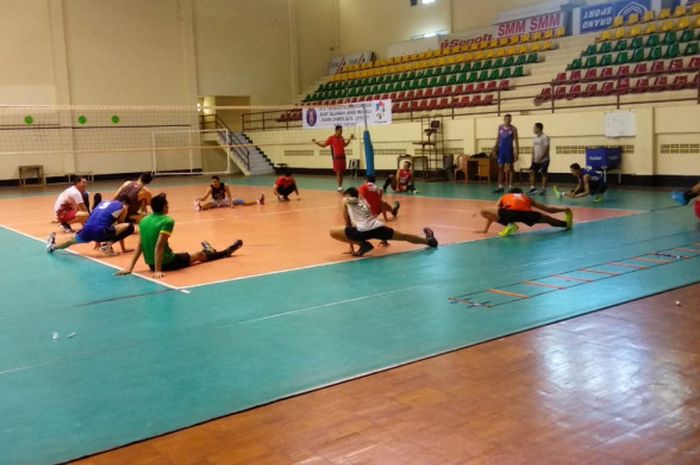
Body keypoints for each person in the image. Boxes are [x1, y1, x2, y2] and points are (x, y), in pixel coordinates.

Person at [116, 193, 243, 279]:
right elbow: (159, 245)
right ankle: (223, 253)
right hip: (166, 263)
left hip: (150, 264)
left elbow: (140, 245)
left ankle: (209, 250)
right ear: (164, 207)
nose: (168, 206)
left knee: (183, 253)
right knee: (199, 256)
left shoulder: (143, 221)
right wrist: (158, 270)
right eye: (167, 204)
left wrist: (130, 267)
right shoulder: (167, 221)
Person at [329, 187, 438, 257]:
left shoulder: (349, 201)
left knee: (333, 232)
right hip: (378, 227)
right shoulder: (364, 203)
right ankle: (429, 241)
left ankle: (364, 244)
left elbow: (347, 222)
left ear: (348, 196)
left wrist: (344, 200)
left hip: (363, 231)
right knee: (403, 236)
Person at [46, 197, 135, 255]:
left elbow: (93, 218)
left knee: (71, 241)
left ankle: (53, 247)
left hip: (87, 229)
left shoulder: (103, 203)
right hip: (101, 231)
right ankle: (107, 245)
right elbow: (121, 226)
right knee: (129, 226)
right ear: (126, 203)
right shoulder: (123, 207)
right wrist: (123, 248)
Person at [479, 188, 573, 237]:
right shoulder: (526, 197)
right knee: (549, 220)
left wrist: (485, 229)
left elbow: (493, 211)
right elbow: (549, 209)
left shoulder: (505, 196)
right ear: (521, 193)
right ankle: (566, 224)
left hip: (509, 214)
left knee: (484, 211)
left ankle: (509, 225)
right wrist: (564, 209)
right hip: (527, 215)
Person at [312, 124, 355, 192]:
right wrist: (316, 142)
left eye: (342, 130)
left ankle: (341, 186)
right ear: (337, 130)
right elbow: (324, 145)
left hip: (343, 157)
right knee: (338, 172)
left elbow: (345, 145)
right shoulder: (331, 138)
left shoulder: (341, 137)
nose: (341, 131)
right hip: (336, 158)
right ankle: (339, 186)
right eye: (340, 130)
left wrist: (350, 138)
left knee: (342, 173)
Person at [195, 175, 264, 211]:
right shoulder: (210, 188)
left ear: (219, 181)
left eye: (215, 181)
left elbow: (230, 196)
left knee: (242, 202)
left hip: (225, 200)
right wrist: (200, 199)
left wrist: (231, 203)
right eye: (213, 181)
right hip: (215, 201)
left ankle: (258, 201)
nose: (214, 183)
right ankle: (200, 208)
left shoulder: (225, 186)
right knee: (208, 205)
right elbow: (204, 198)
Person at [493, 114, 519, 193]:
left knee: (511, 168)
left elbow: (516, 141)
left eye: (509, 119)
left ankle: (511, 186)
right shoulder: (500, 127)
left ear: (511, 120)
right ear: (504, 119)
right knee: (500, 167)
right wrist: (495, 148)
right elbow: (498, 138)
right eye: (506, 119)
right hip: (501, 150)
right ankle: (500, 186)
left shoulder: (513, 129)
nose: (508, 120)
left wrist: (517, 152)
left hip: (509, 150)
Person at [528, 122, 550, 195]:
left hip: (544, 159)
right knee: (532, 172)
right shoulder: (534, 138)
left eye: (534, 128)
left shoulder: (545, 137)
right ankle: (533, 188)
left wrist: (541, 158)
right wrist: (532, 158)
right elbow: (533, 148)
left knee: (543, 173)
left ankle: (543, 189)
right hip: (536, 159)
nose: (533, 129)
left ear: (539, 128)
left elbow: (547, 148)